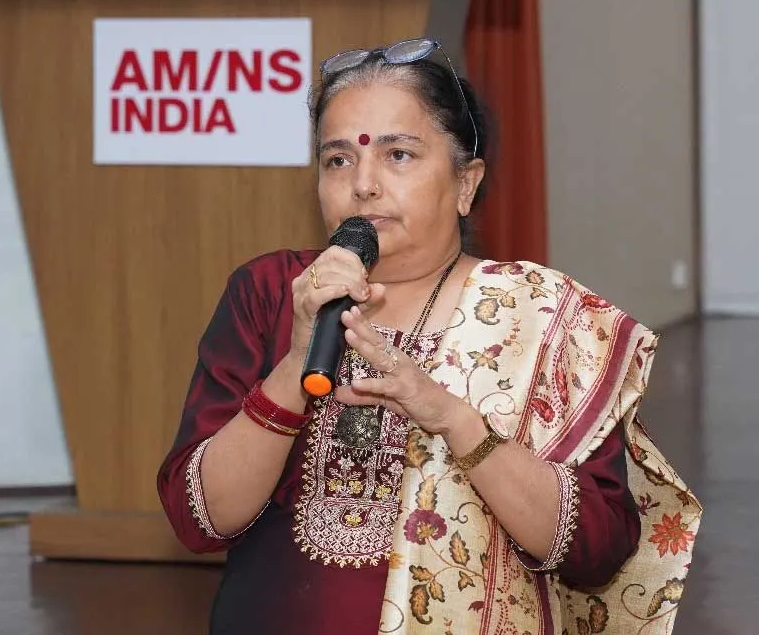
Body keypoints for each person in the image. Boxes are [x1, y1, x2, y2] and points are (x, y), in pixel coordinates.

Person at [156, 38, 701, 634]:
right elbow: (198, 520)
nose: (363, 184)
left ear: (466, 183)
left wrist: (453, 420)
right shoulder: (271, 293)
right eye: (338, 159)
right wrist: (294, 364)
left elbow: (598, 550)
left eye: (398, 155)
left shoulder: (540, 318)